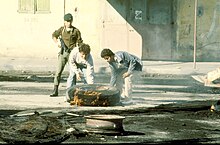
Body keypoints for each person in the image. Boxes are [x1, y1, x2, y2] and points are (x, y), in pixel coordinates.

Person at [50, 13, 83, 97]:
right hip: (63, 53)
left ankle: (73, 91)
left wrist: (80, 53)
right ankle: (55, 90)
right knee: (58, 72)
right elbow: (54, 35)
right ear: (64, 21)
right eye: (67, 21)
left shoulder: (76, 31)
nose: (69, 23)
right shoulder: (61, 29)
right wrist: (57, 42)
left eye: (70, 21)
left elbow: (80, 42)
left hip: (72, 54)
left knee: (73, 73)